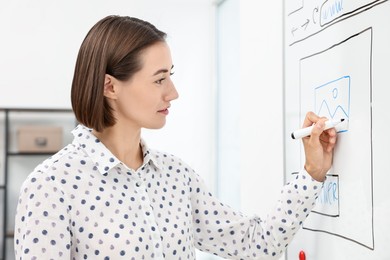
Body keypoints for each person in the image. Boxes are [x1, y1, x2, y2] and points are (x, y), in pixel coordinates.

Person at [14, 15, 337, 260]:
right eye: (159, 80)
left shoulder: (175, 177)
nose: (173, 93)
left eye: (171, 76)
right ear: (110, 86)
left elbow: (256, 242)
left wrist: (312, 172)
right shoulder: (52, 186)